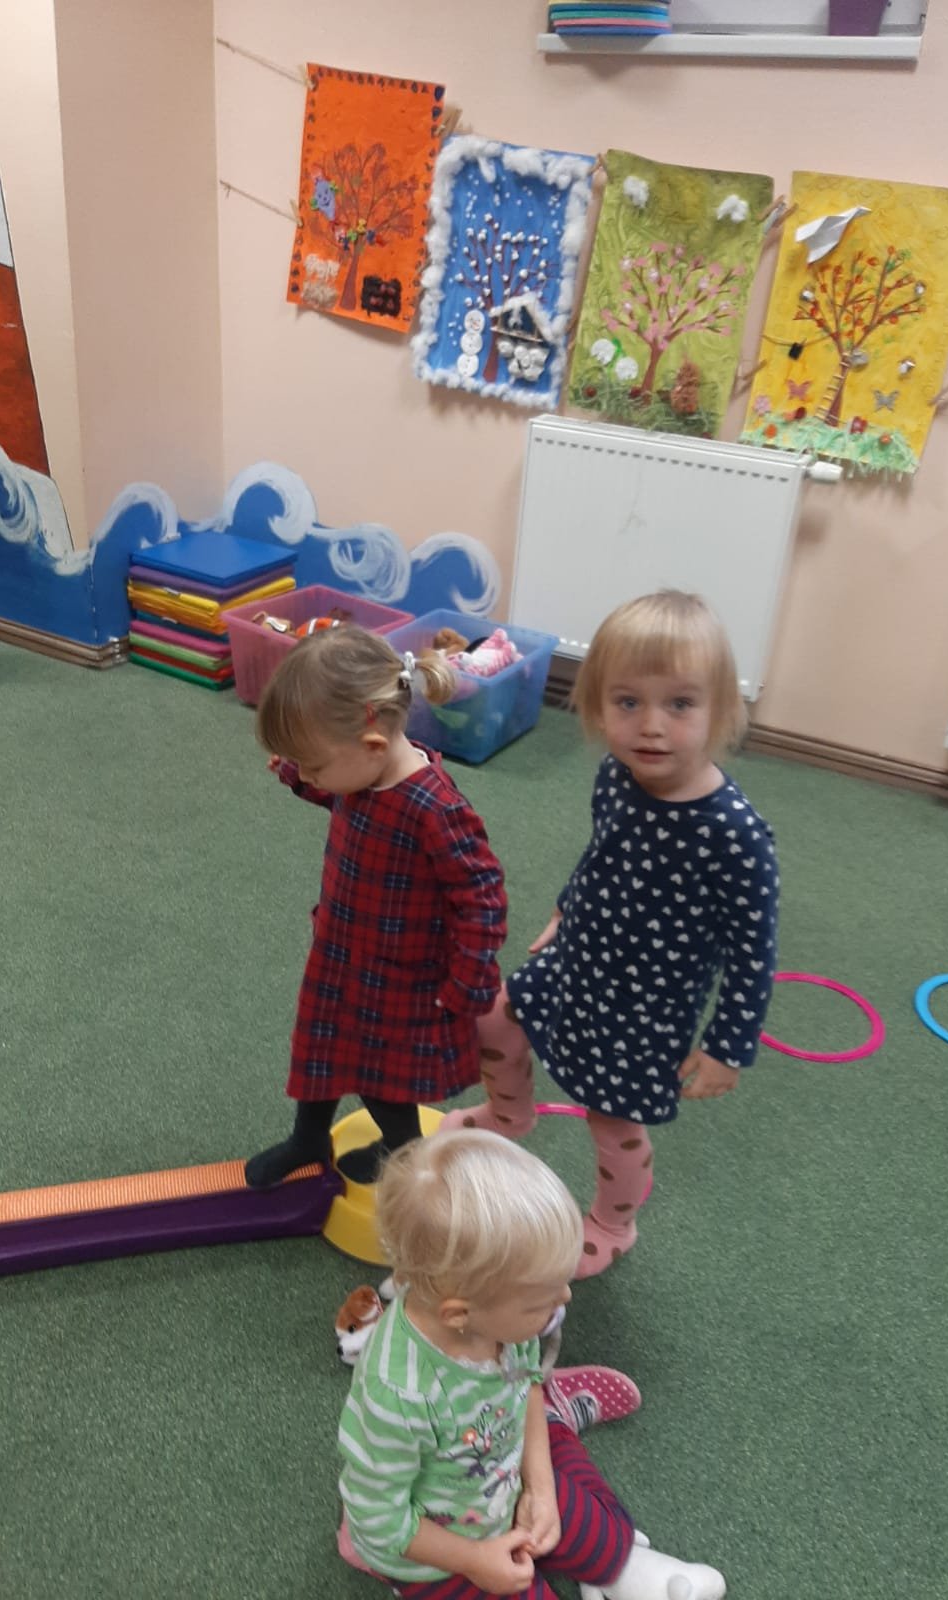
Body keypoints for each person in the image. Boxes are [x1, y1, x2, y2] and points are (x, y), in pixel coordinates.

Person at [443, 591, 779, 1278]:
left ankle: (612, 1222)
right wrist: (564, 911)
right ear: (598, 708)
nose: (650, 726)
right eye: (628, 702)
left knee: (611, 1121)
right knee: (496, 1019)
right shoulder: (617, 776)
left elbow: (754, 953)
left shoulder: (736, 835)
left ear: (720, 711)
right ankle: (510, 1115)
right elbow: (601, 856)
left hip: (645, 1009)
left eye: (679, 704)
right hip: (579, 961)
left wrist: (728, 1047)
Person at [338, 1129, 726, 1599]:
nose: (565, 1298)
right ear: (459, 1314)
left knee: (591, 1522)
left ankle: (621, 1557)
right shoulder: (399, 1395)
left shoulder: (506, 1326)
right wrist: (474, 1560)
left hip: (499, 1471)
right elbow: (379, 1519)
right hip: (438, 1554)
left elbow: (526, 1390)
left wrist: (540, 1485)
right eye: (542, 1297)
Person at [244, 626, 508, 1189]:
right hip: (342, 950)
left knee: (382, 1077)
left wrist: (469, 980)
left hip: (399, 976)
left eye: (313, 764)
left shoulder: (435, 808)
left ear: (372, 745)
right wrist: (301, 777)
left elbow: (482, 897)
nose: (307, 773)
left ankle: (404, 1151)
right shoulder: (362, 774)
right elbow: (340, 791)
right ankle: (308, 1139)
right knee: (319, 1049)